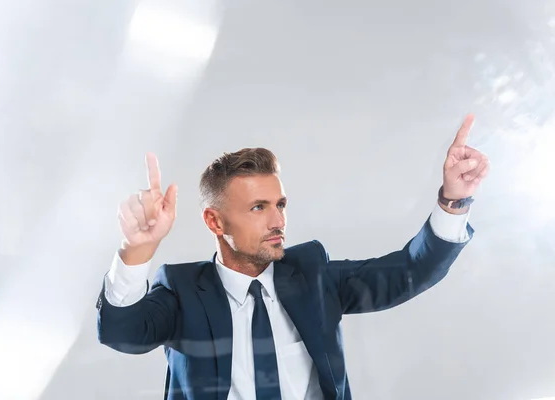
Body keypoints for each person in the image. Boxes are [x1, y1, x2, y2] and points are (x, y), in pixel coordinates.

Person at [95, 114, 490, 400]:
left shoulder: (312, 274)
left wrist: (454, 200)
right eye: (258, 207)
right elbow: (122, 333)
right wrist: (138, 250)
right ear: (215, 221)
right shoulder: (182, 291)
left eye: (280, 203)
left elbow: (411, 270)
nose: (278, 219)